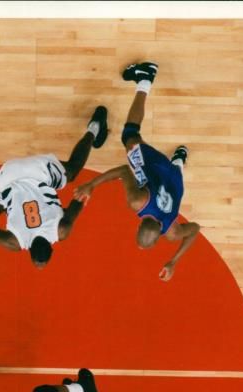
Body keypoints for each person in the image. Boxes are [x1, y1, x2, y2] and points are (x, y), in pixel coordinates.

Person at [0, 106, 109, 283]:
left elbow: (79, 199)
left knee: (71, 172)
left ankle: (95, 127)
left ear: (52, 247)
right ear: (29, 251)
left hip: (38, 170)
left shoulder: (61, 230)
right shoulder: (15, 242)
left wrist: (82, 197)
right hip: (9, 175)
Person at [75, 61, 200, 281]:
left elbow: (195, 229)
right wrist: (91, 185)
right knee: (130, 135)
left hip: (173, 182)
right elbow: (124, 170)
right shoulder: (137, 202)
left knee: (175, 171)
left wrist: (174, 261)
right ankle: (145, 77)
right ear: (140, 223)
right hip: (156, 169)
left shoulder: (172, 232)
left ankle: (179, 159)